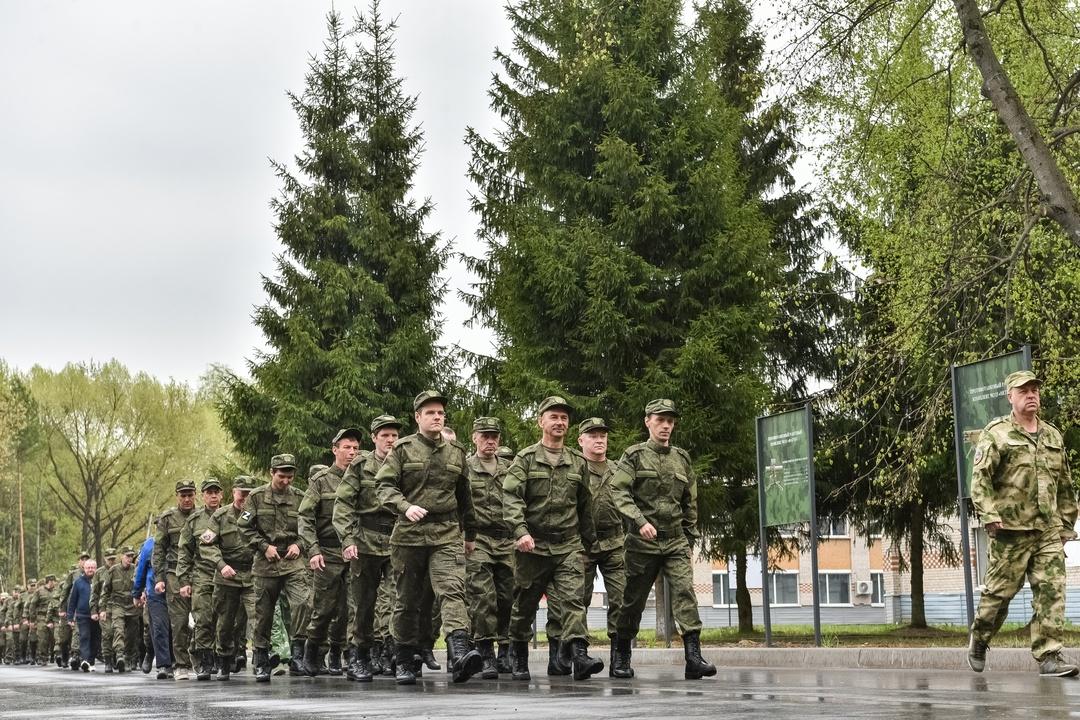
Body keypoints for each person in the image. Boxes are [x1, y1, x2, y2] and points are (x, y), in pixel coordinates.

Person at [968, 370, 1079, 677]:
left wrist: (1067, 524)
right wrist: (989, 516)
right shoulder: (997, 433)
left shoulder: (1052, 435)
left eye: (1035, 390)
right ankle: (980, 639)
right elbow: (980, 480)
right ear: (1010, 396)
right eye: (1024, 390)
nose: (1032, 395)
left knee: (1052, 591)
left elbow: (1065, 483)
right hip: (1009, 531)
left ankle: (1049, 655)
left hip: (1047, 531)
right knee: (999, 595)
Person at [375, 390, 483, 685]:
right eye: (431, 412)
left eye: (440, 413)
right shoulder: (402, 450)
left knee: (451, 590)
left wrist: (470, 533)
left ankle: (460, 649)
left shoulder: (456, 453)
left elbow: (465, 498)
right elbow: (383, 487)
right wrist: (405, 506)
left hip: (446, 533)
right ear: (418, 417)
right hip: (409, 536)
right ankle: (405, 657)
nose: (437, 417)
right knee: (408, 601)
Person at [610, 398, 715, 680]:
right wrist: (639, 520)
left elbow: (690, 501)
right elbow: (618, 491)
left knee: (685, 594)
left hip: (675, 542)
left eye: (670, 421)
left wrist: (689, 537)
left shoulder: (682, 458)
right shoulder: (633, 455)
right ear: (648, 421)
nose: (666, 426)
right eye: (660, 420)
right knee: (632, 600)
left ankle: (693, 657)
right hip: (641, 543)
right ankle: (621, 656)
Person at [503, 395, 602, 682]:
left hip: (568, 546)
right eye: (554, 417)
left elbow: (585, 506)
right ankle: (519, 654)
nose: (559, 422)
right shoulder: (525, 459)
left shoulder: (577, 461)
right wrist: (520, 532)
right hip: (532, 547)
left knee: (573, 601)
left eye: (564, 418)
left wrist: (590, 543)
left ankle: (580, 656)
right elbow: (511, 497)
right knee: (524, 605)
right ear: (541, 421)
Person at [334, 414, 401, 681]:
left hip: (398, 540)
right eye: (385, 435)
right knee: (364, 603)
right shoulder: (361, 465)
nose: (390, 440)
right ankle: (359, 656)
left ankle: (396, 654)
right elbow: (343, 505)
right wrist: (348, 540)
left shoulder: (404, 461)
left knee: (400, 600)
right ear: (374, 438)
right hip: (366, 541)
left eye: (394, 435)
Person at [238, 454, 311, 683]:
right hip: (265, 562)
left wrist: (299, 545)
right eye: (282, 476)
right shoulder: (256, 498)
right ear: (272, 473)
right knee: (263, 614)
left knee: (303, 603)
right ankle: (261, 659)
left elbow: (309, 526)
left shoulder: (300, 497)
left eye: (290, 477)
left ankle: (298, 654)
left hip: (292, 561)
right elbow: (244, 528)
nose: (286, 481)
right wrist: (263, 546)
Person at [299, 428, 362, 677]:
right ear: (335, 449)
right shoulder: (321, 481)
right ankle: (312, 650)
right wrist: (313, 550)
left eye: (355, 448)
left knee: (354, 609)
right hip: (327, 552)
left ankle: (344, 654)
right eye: (347, 447)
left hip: (355, 552)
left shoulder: (362, 478)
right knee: (324, 609)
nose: (352, 452)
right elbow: (305, 517)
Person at [571, 417, 626, 675]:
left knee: (621, 598)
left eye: (603, 435)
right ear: (581, 440)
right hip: (582, 543)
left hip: (615, 542)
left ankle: (620, 658)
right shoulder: (574, 470)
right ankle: (579, 656)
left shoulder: (618, 470)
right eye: (593, 435)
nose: (599, 439)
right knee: (577, 599)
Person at [464, 416, 515, 678]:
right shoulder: (465, 468)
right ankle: (486, 652)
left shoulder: (510, 470)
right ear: (474, 437)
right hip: (478, 539)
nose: (490, 440)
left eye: (494, 436)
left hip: (507, 540)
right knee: (483, 597)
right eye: (484, 435)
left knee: (507, 596)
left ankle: (505, 648)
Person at [205, 475, 259, 681]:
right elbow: (207, 545)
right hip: (227, 575)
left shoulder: (258, 514)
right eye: (241, 493)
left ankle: (261, 658)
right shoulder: (219, 516)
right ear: (233, 493)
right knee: (225, 623)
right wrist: (221, 565)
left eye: (248, 494)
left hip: (253, 573)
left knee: (258, 616)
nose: (244, 498)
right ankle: (224, 661)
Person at [176, 477, 225, 680]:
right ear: (203, 496)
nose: (213, 496)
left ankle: (223, 659)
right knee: (203, 618)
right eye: (209, 492)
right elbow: (184, 552)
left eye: (216, 492)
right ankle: (204, 662)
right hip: (203, 575)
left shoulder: (230, 515)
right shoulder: (194, 521)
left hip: (227, 575)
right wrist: (184, 581)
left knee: (225, 620)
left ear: (222, 494)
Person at [153, 479, 198, 680]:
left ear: (195, 495)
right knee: (179, 622)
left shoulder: (204, 516)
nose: (187, 499)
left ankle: (201, 658)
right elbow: (159, 550)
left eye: (190, 495)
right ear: (177, 496)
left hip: (201, 572)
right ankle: (181, 664)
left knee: (204, 619)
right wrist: (159, 578)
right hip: (174, 574)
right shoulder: (167, 518)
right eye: (183, 495)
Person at [132, 534, 172, 679]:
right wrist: (137, 592)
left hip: (177, 589)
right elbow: (141, 568)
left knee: (176, 627)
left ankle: (175, 662)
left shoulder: (181, 537)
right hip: (154, 591)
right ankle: (163, 664)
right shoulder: (149, 544)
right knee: (158, 627)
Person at [101, 546, 139, 672]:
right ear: (121, 556)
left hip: (133, 606)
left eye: (131, 556)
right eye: (127, 556)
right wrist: (102, 609)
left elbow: (141, 585)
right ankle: (119, 655)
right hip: (117, 605)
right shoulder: (113, 570)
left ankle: (127, 657)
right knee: (118, 630)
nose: (130, 558)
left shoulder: (136, 570)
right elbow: (105, 591)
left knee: (132, 635)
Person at [68, 559, 100, 672]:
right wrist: (70, 617)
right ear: (84, 569)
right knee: (84, 637)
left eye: (92, 567)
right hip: (83, 615)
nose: (90, 570)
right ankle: (85, 660)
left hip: (97, 615)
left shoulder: (100, 580)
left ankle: (91, 662)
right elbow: (72, 600)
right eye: (88, 568)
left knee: (95, 639)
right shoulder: (78, 582)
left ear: (96, 568)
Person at [90, 552, 116, 672]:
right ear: (105, 558)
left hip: (118, 606)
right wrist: (94, 610)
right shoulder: (99, 573)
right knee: (107, 633)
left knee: (119, 633)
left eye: (113, 559)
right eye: (109, 559)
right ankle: (108, 660)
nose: (111, 561)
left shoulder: (118, 569)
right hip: (104, 607)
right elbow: (94, 593)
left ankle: (119, 657)